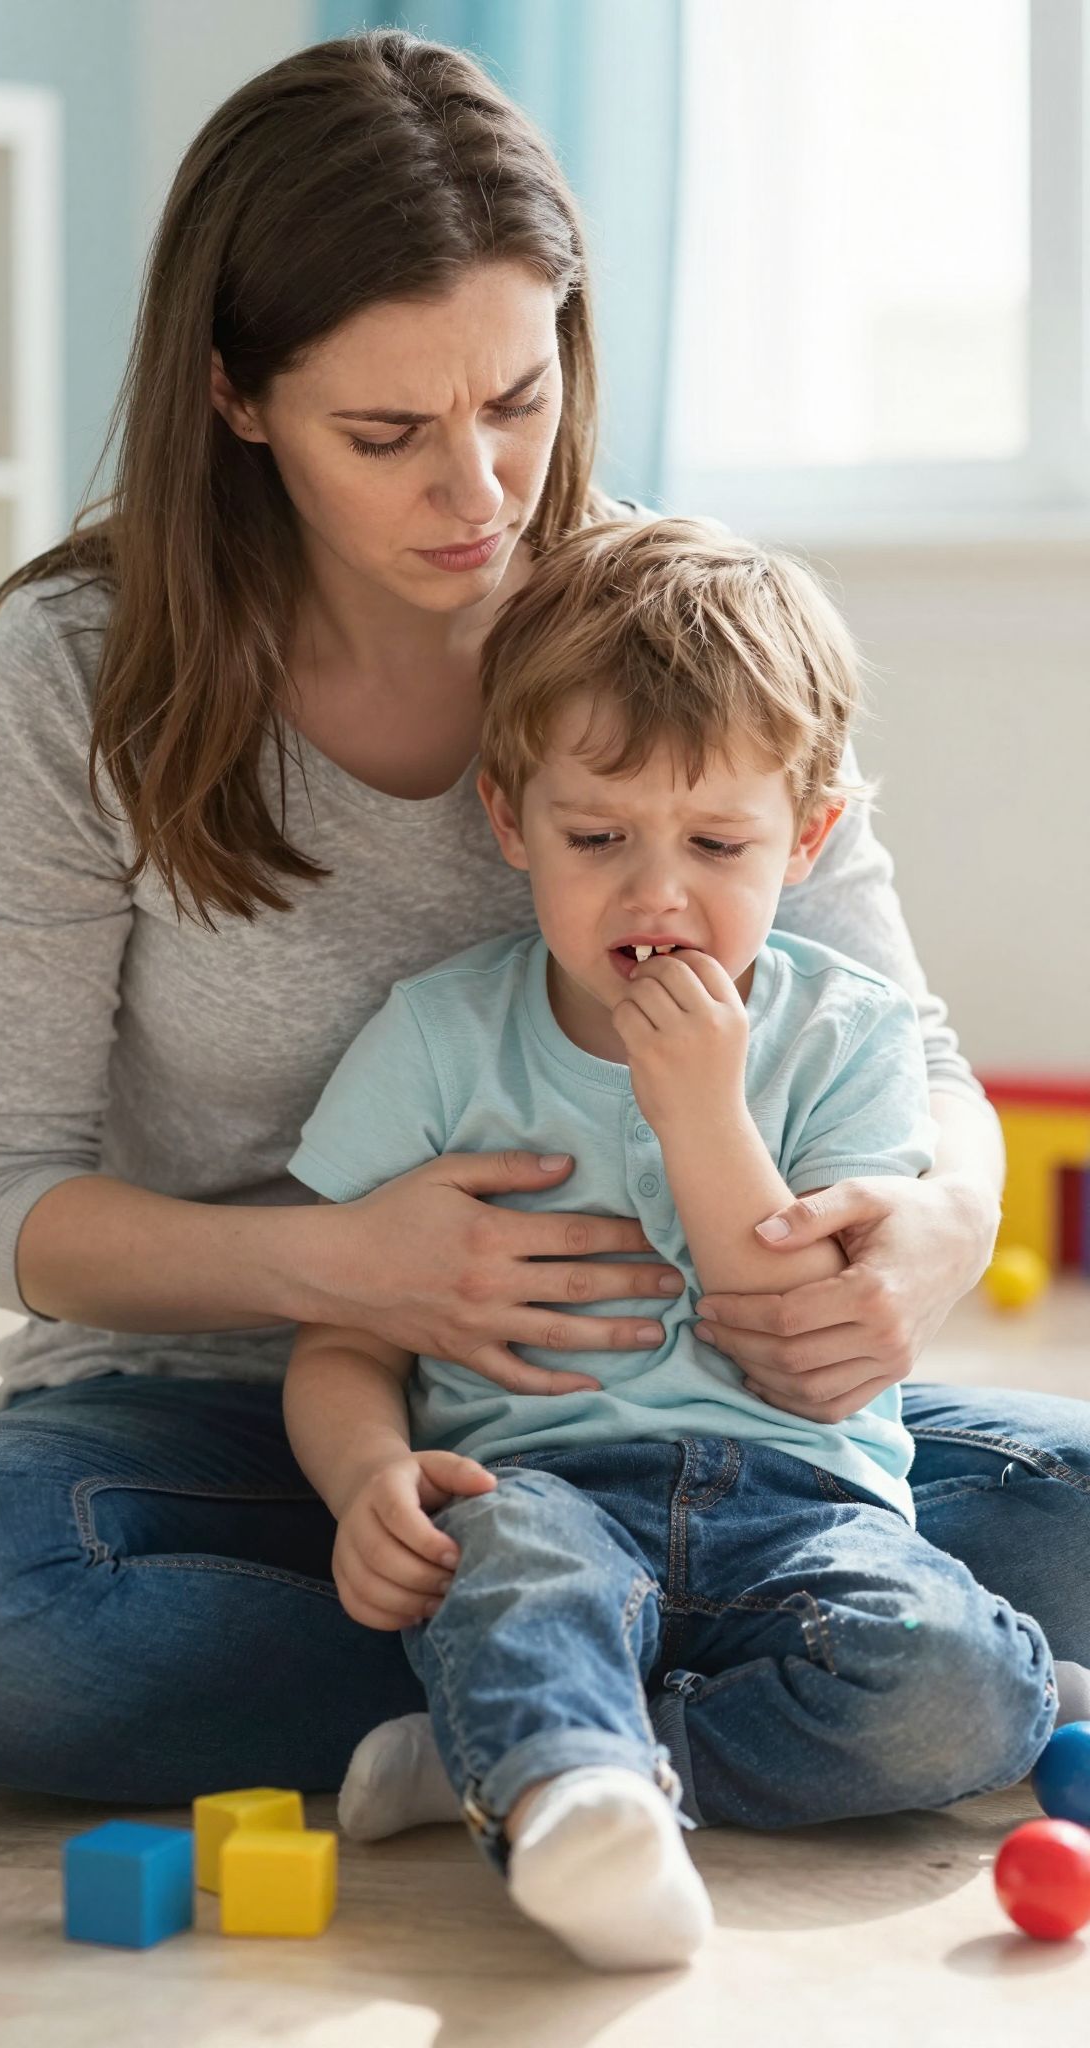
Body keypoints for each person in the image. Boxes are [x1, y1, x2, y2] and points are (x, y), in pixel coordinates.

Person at [0, 30, 1087, 1809]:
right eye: (387, 432)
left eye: (518, 401)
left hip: (701, 1422)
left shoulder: (657, 628)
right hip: (253, 1419)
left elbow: (905, 1050)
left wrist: (937, 1221)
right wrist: (345, 1270)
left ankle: (554, 1687)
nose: (480, 496)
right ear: (238, 398)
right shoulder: (83, 673)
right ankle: (717, 1675)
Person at [278, 516, 1069, 1972]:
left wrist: (702, 1104)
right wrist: (366, 1477)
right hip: (545, 1486)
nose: (656, 895)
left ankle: (514, 1756)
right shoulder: (440, 1037)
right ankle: (562, 1785)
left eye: (716, 844)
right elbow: (340, 1332)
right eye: (597, 839)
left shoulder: (846, 1037)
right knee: (514, 1573)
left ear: (808, 836)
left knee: (947, 1693)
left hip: (804, 1499)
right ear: (511, 821)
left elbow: (808, 1353)